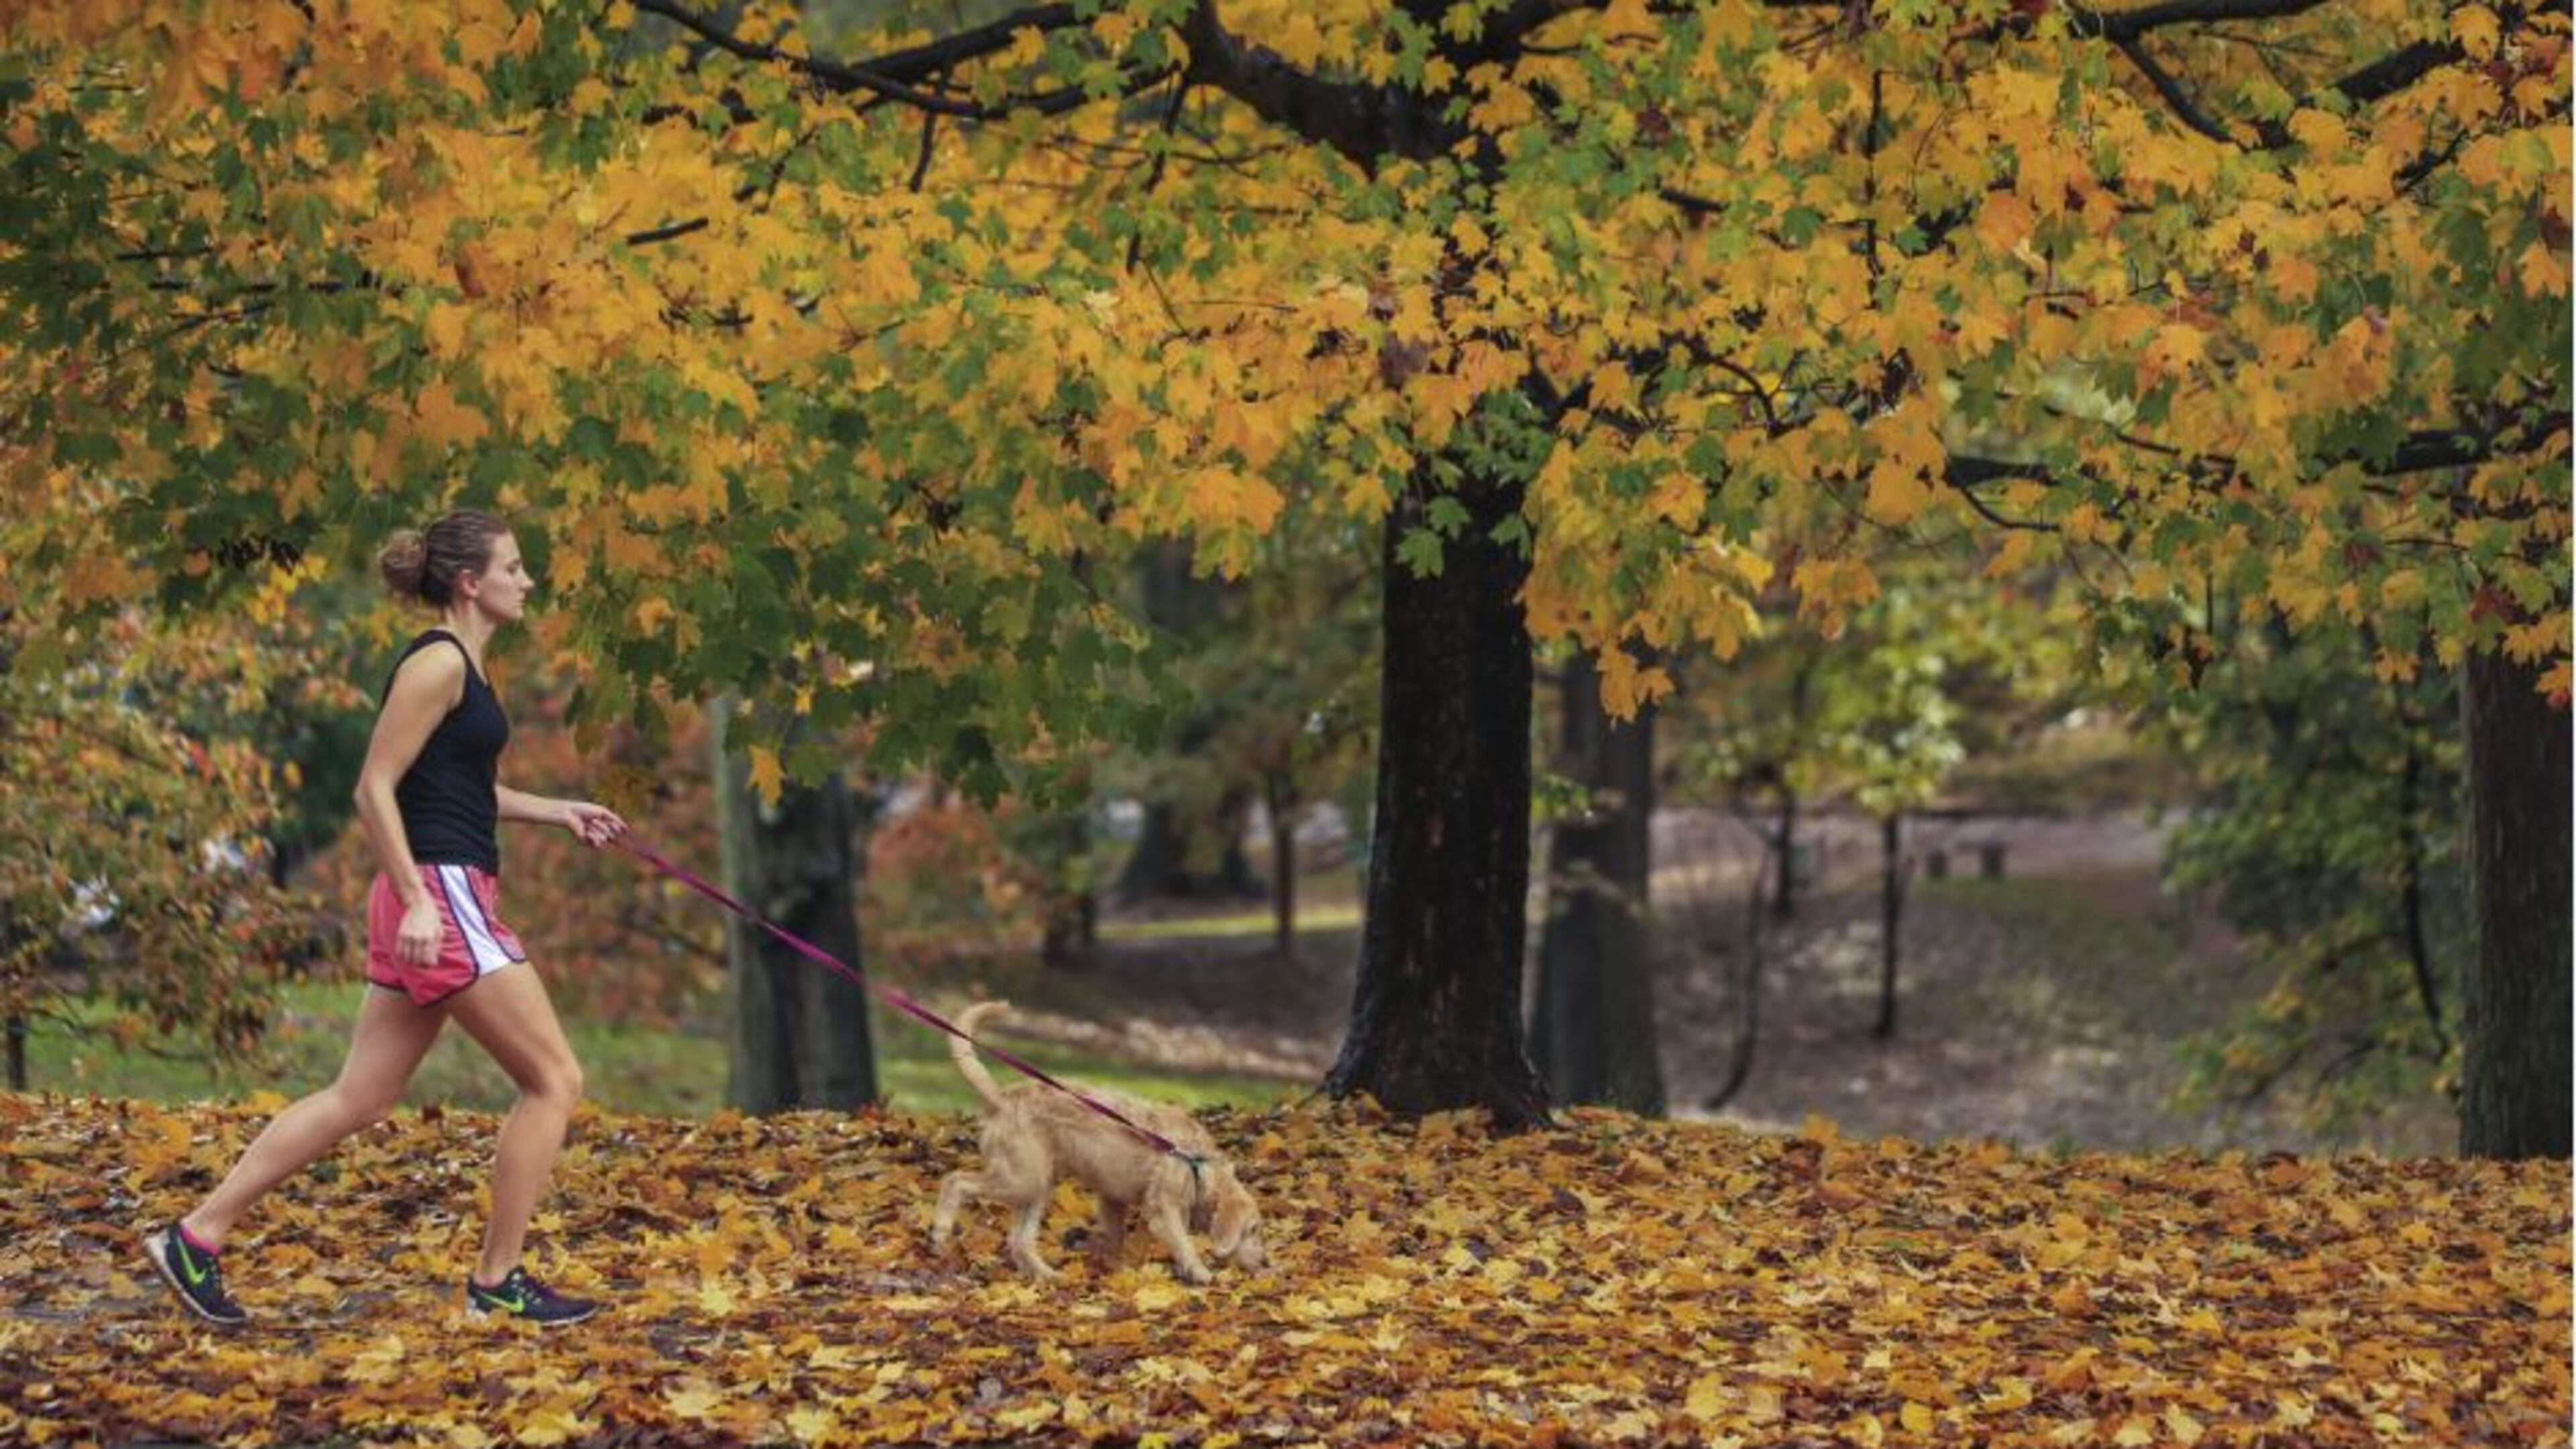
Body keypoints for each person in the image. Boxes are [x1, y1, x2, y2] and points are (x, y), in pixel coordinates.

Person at [144, 508, 627, 1329]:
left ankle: (196, 1237)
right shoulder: (438, 663)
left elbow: (455, 792)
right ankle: (497, 1283)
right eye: (515, 567)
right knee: (555, 1081)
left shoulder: (469, 670)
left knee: (361, 1096)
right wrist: (413, 900)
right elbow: (374, 787)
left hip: (438, 890)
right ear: (471, 582)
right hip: (437, 896)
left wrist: (559, 810)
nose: (528, 580)